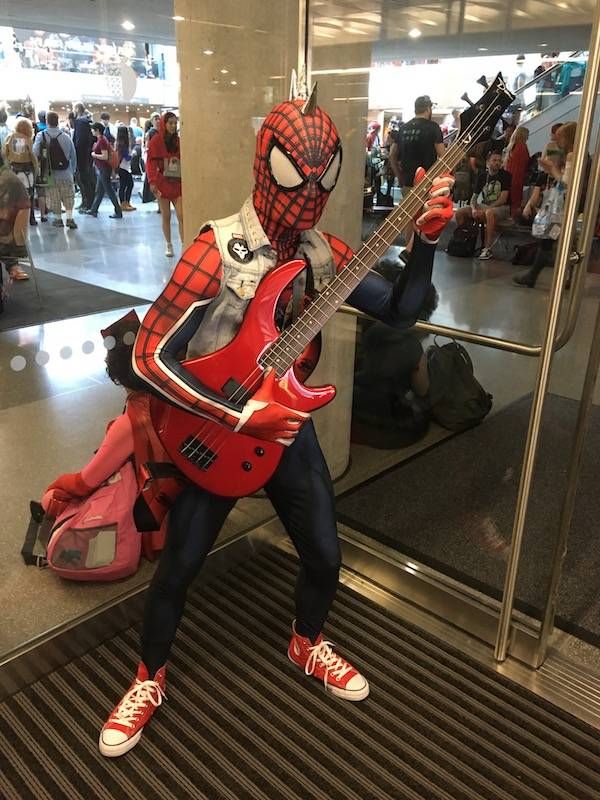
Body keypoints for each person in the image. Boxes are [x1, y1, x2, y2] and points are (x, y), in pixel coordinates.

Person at [97, 89, 454, 758]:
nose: (312, 191)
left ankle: (307, 640)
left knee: (326, 553)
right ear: (267, 164)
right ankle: (148, 677)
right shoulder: (216, 249)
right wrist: (236, 411)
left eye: (326, 176)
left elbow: (404, 308)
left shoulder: (325, 255)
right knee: (177, 570)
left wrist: (426, 243)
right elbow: (146, 354)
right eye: (299, 173)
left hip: (286, 428)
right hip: (218, 432)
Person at [41, 310, 184, 550]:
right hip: (185, 505)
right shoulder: (175, 399)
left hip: (156, 515)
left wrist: (56, 485)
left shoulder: (131, 421)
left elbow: (85, 482)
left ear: (115, 371)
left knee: (51, 500)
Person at [513, 122, 577, 288]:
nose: (558, 140)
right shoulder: (572, 154)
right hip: (566, 204)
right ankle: (538, 274)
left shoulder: (571, 156)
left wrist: (551, 168)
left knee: (551, 240)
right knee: (549, 240)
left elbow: (566, 184)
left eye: (561, 137)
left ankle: (538, 273)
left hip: (565, 205)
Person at [454, 149, 511, 261]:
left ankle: (487, 248)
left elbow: (503, 199)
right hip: (484, 205)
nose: (497, 163)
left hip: (500, 207)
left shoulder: (505, 176)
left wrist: (486, 209)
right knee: (460, 212)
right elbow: (474, 198)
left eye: (499, 160)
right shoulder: (482, 176)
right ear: (487, 162)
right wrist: (474, 209)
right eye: (494, 160)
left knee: (489, 213)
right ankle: (464, 241)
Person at [145, 111, 182, 256]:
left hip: (177, 183)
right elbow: (150, 163)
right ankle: (169, 244)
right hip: (162, 183)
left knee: (181, 215)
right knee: (166, 215)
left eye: (175, 123)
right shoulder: (156, 141)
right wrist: (152, 181)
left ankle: (184, 244)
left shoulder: (178, 141)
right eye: (170, 123)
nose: (173, 126)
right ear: (164, 124)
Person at [33, 111, 78, 229]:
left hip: (49, 173)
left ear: (47, 121)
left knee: (53, 196)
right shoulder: (66, 137)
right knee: (68, 196)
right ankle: (69, 218)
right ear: (58, 121)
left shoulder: (41, 136)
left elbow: (35, 153)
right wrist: (72, 171)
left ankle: (58, 219)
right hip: (66, 173)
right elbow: (73, 156)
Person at [397, 95, 444, 189]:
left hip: (407, 182)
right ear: (428, 109)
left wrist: (399, 177)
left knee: (409, 204)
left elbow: (395, 156)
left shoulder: (403, 129)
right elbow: (442, 155)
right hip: (427, 183)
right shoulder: (433, 127)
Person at [3, 117, 38, 228]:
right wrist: (36, 170)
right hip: (27, 170)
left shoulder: (9, 137)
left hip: (13, 169)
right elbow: (33, 157)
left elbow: (4, 153)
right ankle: (31, 218)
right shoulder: (28, 139)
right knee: (29, 195)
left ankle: (14, 218)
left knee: (13, 196)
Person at [86, 121, 122, 219]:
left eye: (93, 129)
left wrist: (94, 155)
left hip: (104, 168)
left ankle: (118, 211)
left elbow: (105, 156)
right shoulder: (102, 139)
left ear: (97, 130)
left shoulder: (102, 141)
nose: (91, 131)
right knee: (100, 190)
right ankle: (94, 210)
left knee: (109, 190)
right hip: (103, 168)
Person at [0, 168, 31, 281]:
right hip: (15, 236)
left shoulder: (4, 181)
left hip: (6, 237)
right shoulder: (8, 176)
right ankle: (13, 265)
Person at [72, 103, 95, 212]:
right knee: (86, 180)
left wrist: (74, 153)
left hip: (81, 156)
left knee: (84, 180)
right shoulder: (87, 121)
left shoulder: (80, 122)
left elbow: (79, 141)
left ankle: (88, 203)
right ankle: (86, 202)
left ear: (77, 109)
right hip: (87, 155)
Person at [503, 126, 529, 217]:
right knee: (516, 201)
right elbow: (525, 163)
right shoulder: (522, 147)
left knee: (509, 200)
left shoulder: (511, 147)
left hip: (509, 177)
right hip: (517, 177)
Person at [116, 124, 135, 212]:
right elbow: (127, 157)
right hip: (124, 167)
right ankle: (124, 203)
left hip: (123, 167)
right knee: (126, 185)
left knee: (125, 185)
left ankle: (125, 202)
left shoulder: (120, 143)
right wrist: (133, 154)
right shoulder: (123, 144)